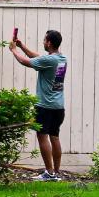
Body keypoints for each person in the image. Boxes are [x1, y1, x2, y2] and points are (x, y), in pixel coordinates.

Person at [9, 30, 69, 182]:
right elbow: (38, 57)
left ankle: (49, 173)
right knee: (54, 137)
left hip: (45, 106)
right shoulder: (61, 59)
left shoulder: (49, 61)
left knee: (42, 137)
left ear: (49, 43)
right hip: (58, 106)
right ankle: (56, 172)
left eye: (44, 40)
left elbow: (26, 62)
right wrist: (22, 46)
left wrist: (14, 50)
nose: (43, 42)